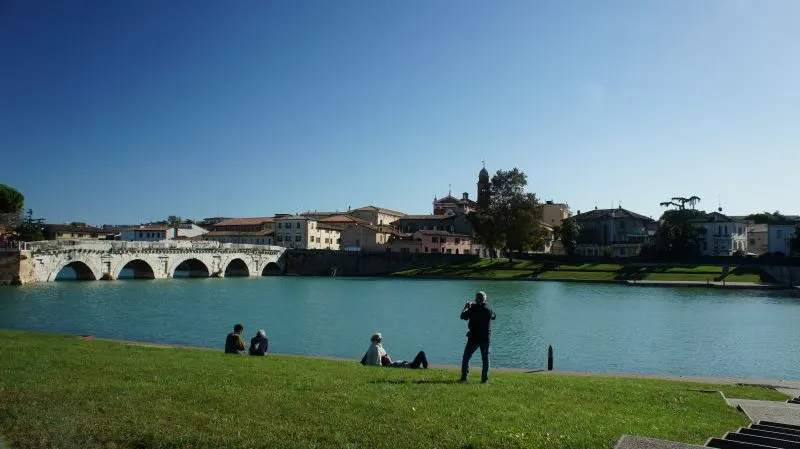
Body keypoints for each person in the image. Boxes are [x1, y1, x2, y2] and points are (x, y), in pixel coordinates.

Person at [460, 291, 496, 383]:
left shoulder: (472, 308)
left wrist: (466, 307)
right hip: (485, 338)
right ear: (485, 299)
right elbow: (494, 316)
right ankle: (484, 380)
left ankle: (464, 377)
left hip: (474, 338)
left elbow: (463, 316)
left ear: (476, 299)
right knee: (485, 359)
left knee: (466, 357)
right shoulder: (489, 309)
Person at [360, 332, 428, 369]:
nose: (382, 339)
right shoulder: (376, 348)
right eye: (381, 338)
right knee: (421, 353)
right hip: (402, 365)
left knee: (416, 361)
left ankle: (422, 367)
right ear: (378, 340)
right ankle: (426, 367)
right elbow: (377, 361)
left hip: (400, 364)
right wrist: (381, 365)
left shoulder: (372, 347)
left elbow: (365, 361)